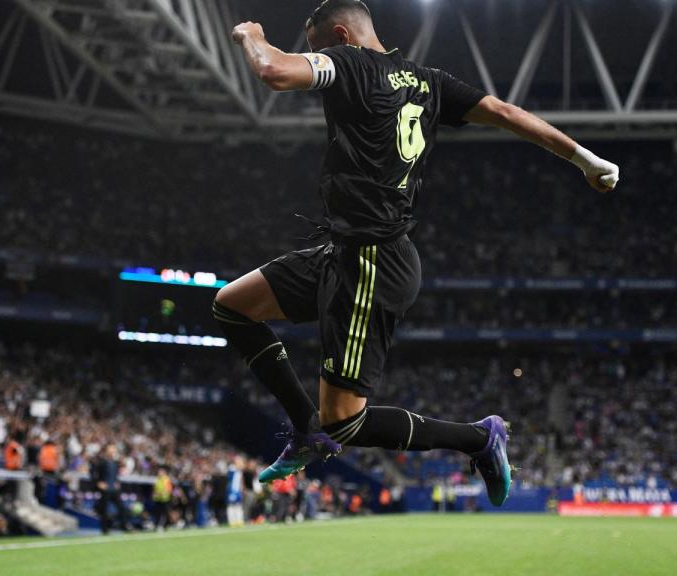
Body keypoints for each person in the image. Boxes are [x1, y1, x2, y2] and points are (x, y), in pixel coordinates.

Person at [217, 0, 619, 507]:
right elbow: (505, 113)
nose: (317, 62)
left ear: (341, 37)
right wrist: (586, 159)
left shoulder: (350, 63)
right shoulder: (429, 81)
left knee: (345, 423)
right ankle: (305, 429)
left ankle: (479, 438)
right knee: (232, 306)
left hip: (371, 261)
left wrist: (251, 35)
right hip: (345, 249)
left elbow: (274, 70)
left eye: (317, 49)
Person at [90, 443, 129, 534]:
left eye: (114, 449)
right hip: (105, 489)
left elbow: (115, 475)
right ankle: (105, 529)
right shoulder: (101, 462)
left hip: (114, 489)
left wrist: (117, 482)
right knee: (104, 510)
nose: (113, 451)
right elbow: (92, 473)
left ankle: (124, 526)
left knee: (122, 508)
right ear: (106, 451)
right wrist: (98, 483)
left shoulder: (115, 462)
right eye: (111, 449)